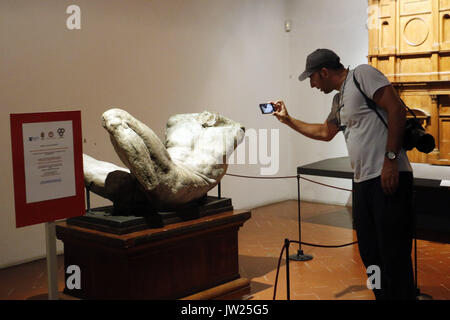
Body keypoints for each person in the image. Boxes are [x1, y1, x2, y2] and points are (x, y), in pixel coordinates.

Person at [272, 48, 415, 300]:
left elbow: (396, 109)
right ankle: (381, 296)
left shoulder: (363, 75)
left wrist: (391, 159)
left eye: (313, 78)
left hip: (388, 175)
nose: (312, 84)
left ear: (324, 72)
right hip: (362, 183)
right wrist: (288, 120)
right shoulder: (339, 100)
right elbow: (325, 133)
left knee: (394, 252)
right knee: (370, 253)